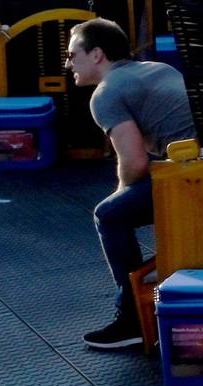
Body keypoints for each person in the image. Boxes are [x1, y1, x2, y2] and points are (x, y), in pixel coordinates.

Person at [69, 18, 196, 350]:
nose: (68, 63)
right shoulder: (156, 68)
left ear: (96, 54)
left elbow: (135, 163)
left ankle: (131, 319)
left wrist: (122, 192)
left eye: (72, 54)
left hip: (194, 179)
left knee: (109, 214)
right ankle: (151, 293)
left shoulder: (106, 93)